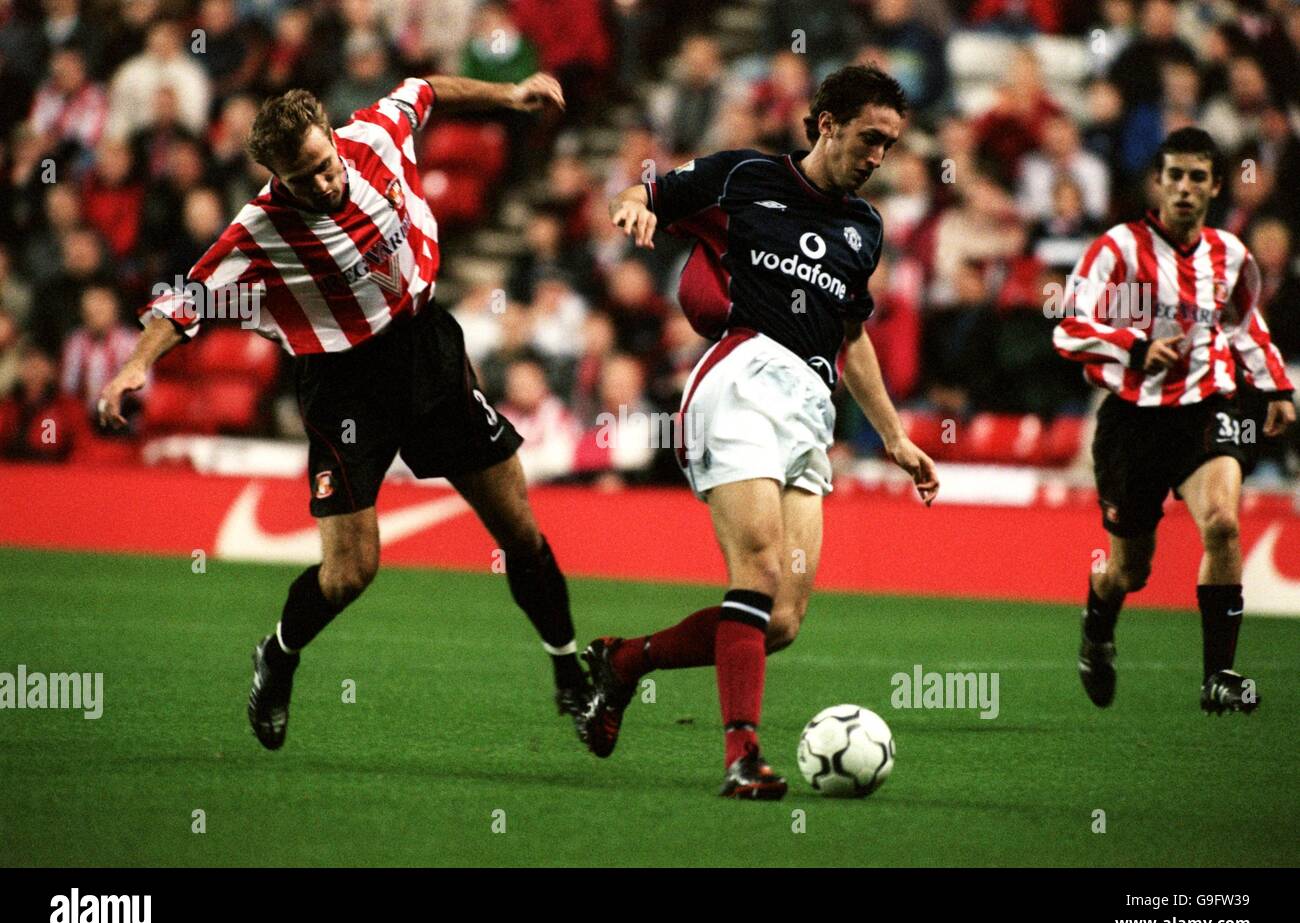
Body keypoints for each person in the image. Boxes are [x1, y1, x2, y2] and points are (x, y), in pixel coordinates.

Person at [96, 71, 593, 750]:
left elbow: (426, 88)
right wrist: (134, 366)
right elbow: (185, 302)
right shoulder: (260, 230)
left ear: (333, 136)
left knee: (518, 530)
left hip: (427, 353)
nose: (322, 184)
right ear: (276, 178)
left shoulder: (376, 134)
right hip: (344, 386)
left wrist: (511, 96)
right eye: (302, 179)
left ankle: (571, 673)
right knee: (351, 572)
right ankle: (277, 655)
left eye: (324, 165)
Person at [587, 66, 939, 798]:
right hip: (740, 380)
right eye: (870, 138)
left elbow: (852, 336)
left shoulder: (864, 229)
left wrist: (895, 436)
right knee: (759, 571)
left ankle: (624, 664)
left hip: (811, 408)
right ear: (826, 123)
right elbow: (638, 192)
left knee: (781, 618)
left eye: (891, 145)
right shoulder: (743, 176)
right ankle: (742, 756)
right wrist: (635, 211)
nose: (878, 157)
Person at [1053, 127, 1295, 715]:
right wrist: (1133, 346)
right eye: (1175, 176)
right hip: (1133, 422)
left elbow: (1245, 326)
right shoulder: (1117, 249)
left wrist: (1276, 387)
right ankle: (1099, 617)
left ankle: (1220, 675)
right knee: (1131, 571)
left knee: (1223, 524)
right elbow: (1068, 327)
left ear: (1215, 186)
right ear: (1157, 183)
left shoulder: (1231, 255)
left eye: (1197, 177)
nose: (1185, 188)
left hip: (1208, 409)